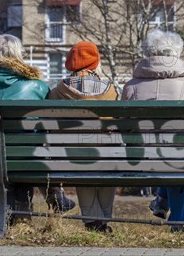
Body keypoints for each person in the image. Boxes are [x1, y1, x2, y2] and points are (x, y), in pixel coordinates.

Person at [0, 34, 76, 215]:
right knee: (32, 152)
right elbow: (49, 126)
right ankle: (52, 197)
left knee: (23, 154)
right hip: (27, 158)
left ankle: (22, 216)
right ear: (19, 54)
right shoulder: (37, 87)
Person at [122, 29, 184, 232]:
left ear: (148, 53)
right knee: (176, 156)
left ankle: (162, 201)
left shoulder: (131, 86)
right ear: (177, 53)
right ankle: (178, 222)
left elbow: (123, 124)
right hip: (178, 157)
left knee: (167, 155)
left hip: (140, 157)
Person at [49, 41, 118, 231]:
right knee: (108, 157)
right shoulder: (110, 90)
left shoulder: (57, 92)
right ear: (95, 62)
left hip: (72, 157)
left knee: (80, 156)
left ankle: (92, 220)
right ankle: (102, 220)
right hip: (108, 155)